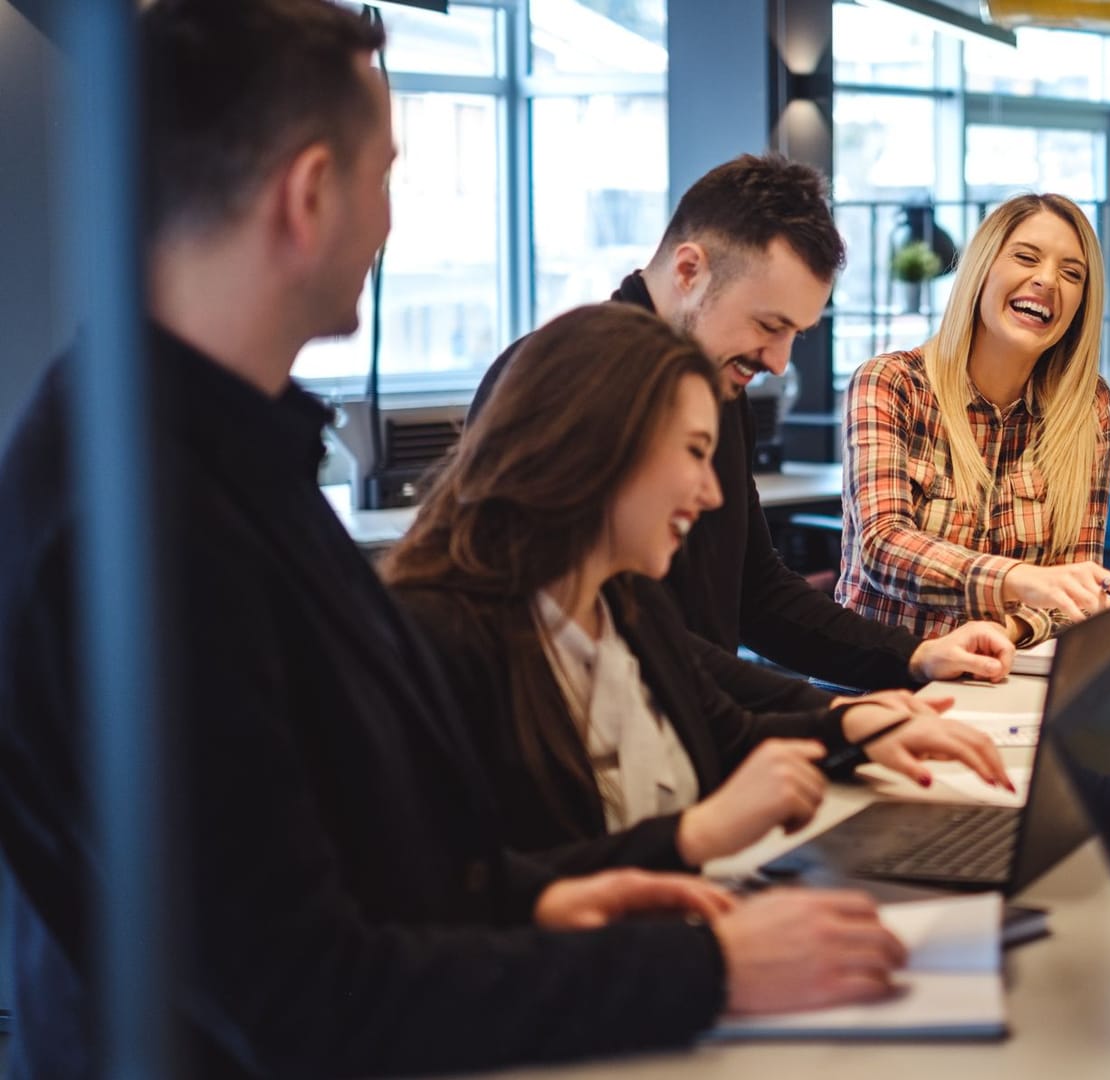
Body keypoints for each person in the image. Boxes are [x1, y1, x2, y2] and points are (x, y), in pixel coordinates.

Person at [0, 3, 904, 1074]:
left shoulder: (223, 454)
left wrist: (551, 893)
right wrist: (711, 969)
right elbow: (303, 993)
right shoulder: (138, 521)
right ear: (308, 193)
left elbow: (360, 859)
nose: (391, 221)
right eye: (386, 174)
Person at [386, 303, 1011, 868]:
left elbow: (728, 732)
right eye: (692, 453)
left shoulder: (624, 607)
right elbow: (471, 894)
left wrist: (856, 726)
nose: (711, 494)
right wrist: (695, 835)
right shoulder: (438, 642)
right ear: (596, 447)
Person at [468, 155, 1013, 712]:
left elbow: (756, 594)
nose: (777, 362)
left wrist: (914, 655)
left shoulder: (718, 386)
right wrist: (830, 718)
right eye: (769, 326)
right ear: (689, 271)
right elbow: (626, 644)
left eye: (794, 335)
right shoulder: (559, 384)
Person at [838, 193, 1110, 646]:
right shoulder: (892, 383)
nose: (1048, 280)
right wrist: (1018, 580)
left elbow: (1076, 591)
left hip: (1003, 679)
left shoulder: (1088, 407)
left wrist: (1005, 629)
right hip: (880, 685)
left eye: (1072, 274)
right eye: (1026, 257)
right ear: (981, 270)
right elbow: (883, 548)